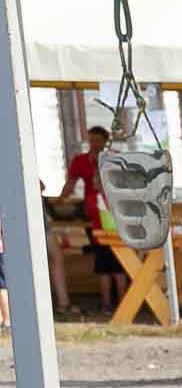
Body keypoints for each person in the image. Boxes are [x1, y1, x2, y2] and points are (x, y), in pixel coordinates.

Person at [57, 125, 126, 315]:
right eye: (91, 140)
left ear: (105, 141)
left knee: (115, 266)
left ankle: (120, 303)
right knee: (106, 265)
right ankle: (109, 303)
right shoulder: (80, 160)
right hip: (95, 217)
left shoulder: (114, 158)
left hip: (113, 218)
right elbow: (70, 184)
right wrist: (60, 201)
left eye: (97, 140)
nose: (94, 144)